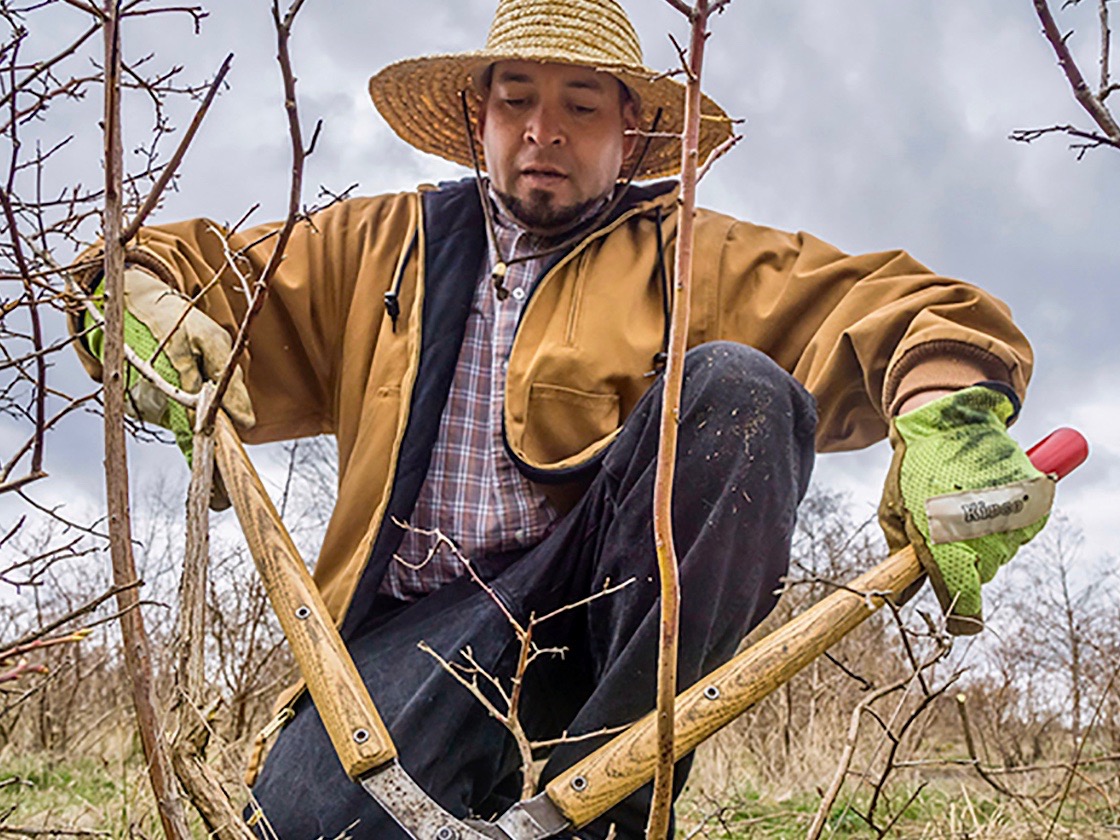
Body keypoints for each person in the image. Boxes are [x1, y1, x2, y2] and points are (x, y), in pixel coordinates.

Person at [71, 0, 1052, 837]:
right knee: (309, 823)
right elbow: (171, 267)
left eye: (581, 106)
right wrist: (135, 303)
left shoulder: (688, 255)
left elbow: (897, 308)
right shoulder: (376, 245)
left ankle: (608, 807)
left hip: (603, 615)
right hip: (409, 628)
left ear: (631, 136)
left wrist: (950, 416)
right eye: (517, 101)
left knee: (743, 393)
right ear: (478, 117)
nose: (545, 130)